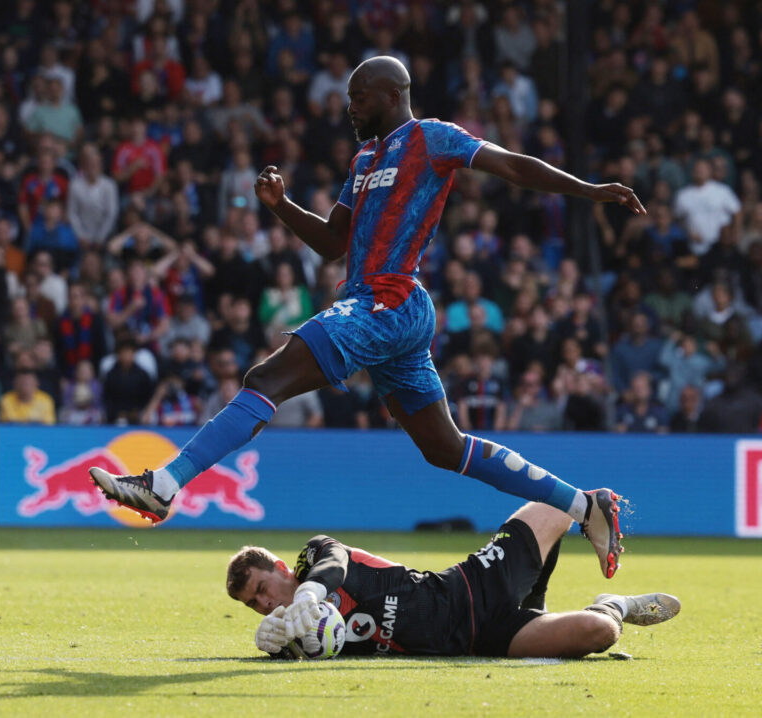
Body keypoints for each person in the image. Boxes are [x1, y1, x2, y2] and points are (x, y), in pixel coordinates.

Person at [90, 56, 646, 578]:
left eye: (358, 97)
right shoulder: (364, 161)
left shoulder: (433, 137)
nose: (349, 107)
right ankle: (586, 504)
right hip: (380, 306)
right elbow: (333, 241)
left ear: (391, 94)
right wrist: (282, 206)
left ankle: (163, 485)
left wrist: (588, 189)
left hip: (389, 299)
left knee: (264, 380)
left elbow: (512, 167)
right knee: (444, 447)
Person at [229, 501, 680, 659]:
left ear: (282, 570)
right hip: (482, 639)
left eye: (262, 590)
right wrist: (276, 647)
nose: (265, 604)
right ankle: (615, 602)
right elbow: (305, 647)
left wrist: (310, 590)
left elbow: (334, 564)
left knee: (556, 505)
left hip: (470, 587)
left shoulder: (314, 558)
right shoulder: (301, 633)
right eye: (254, 604)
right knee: (598, 631)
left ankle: (594, 513)